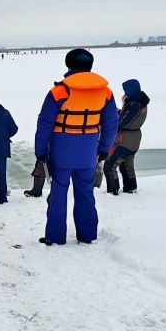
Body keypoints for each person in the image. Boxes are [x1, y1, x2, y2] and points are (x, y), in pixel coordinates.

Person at [34, 48, 118, 245]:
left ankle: (54, 237)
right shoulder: (105, 92)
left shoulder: (59, 92)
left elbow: (44, 123)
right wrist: (104, 149)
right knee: (85, 191)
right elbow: (111, 123)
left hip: (61, 149)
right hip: (88, 150)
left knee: (58, 192)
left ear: (68, 65)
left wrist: (40, 152)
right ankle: (88, 235)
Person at [104, 79, 150, 194]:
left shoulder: (134, 104)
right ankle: (131, 189)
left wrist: (112, 117)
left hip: (124, 140)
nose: (124, 92)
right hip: (134, 139)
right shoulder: (140, 103)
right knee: (126, 165)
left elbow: (122, 123)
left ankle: (112, 191)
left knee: (110, 165)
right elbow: (129, 118)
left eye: (125, 90)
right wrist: (119, 112)